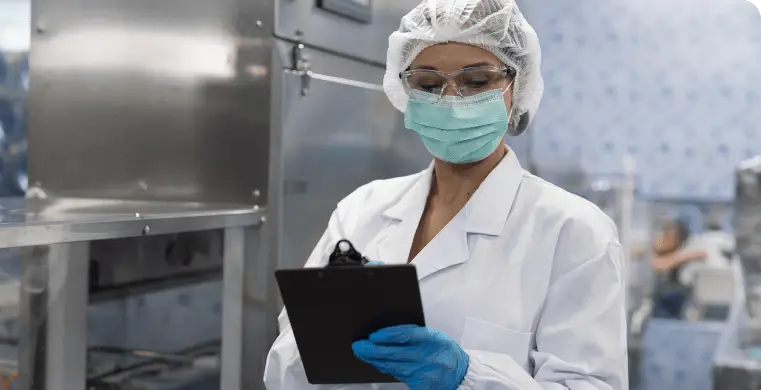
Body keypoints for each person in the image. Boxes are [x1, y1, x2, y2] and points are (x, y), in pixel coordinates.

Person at [264, 0, 627, 389]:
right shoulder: (361, 210)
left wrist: (466, 376)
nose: (452, 101)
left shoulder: (574, 232)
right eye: (429, 84)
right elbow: (285, 372)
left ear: (516, 86)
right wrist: (324, 327)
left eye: (477, 81)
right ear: (406, 92)